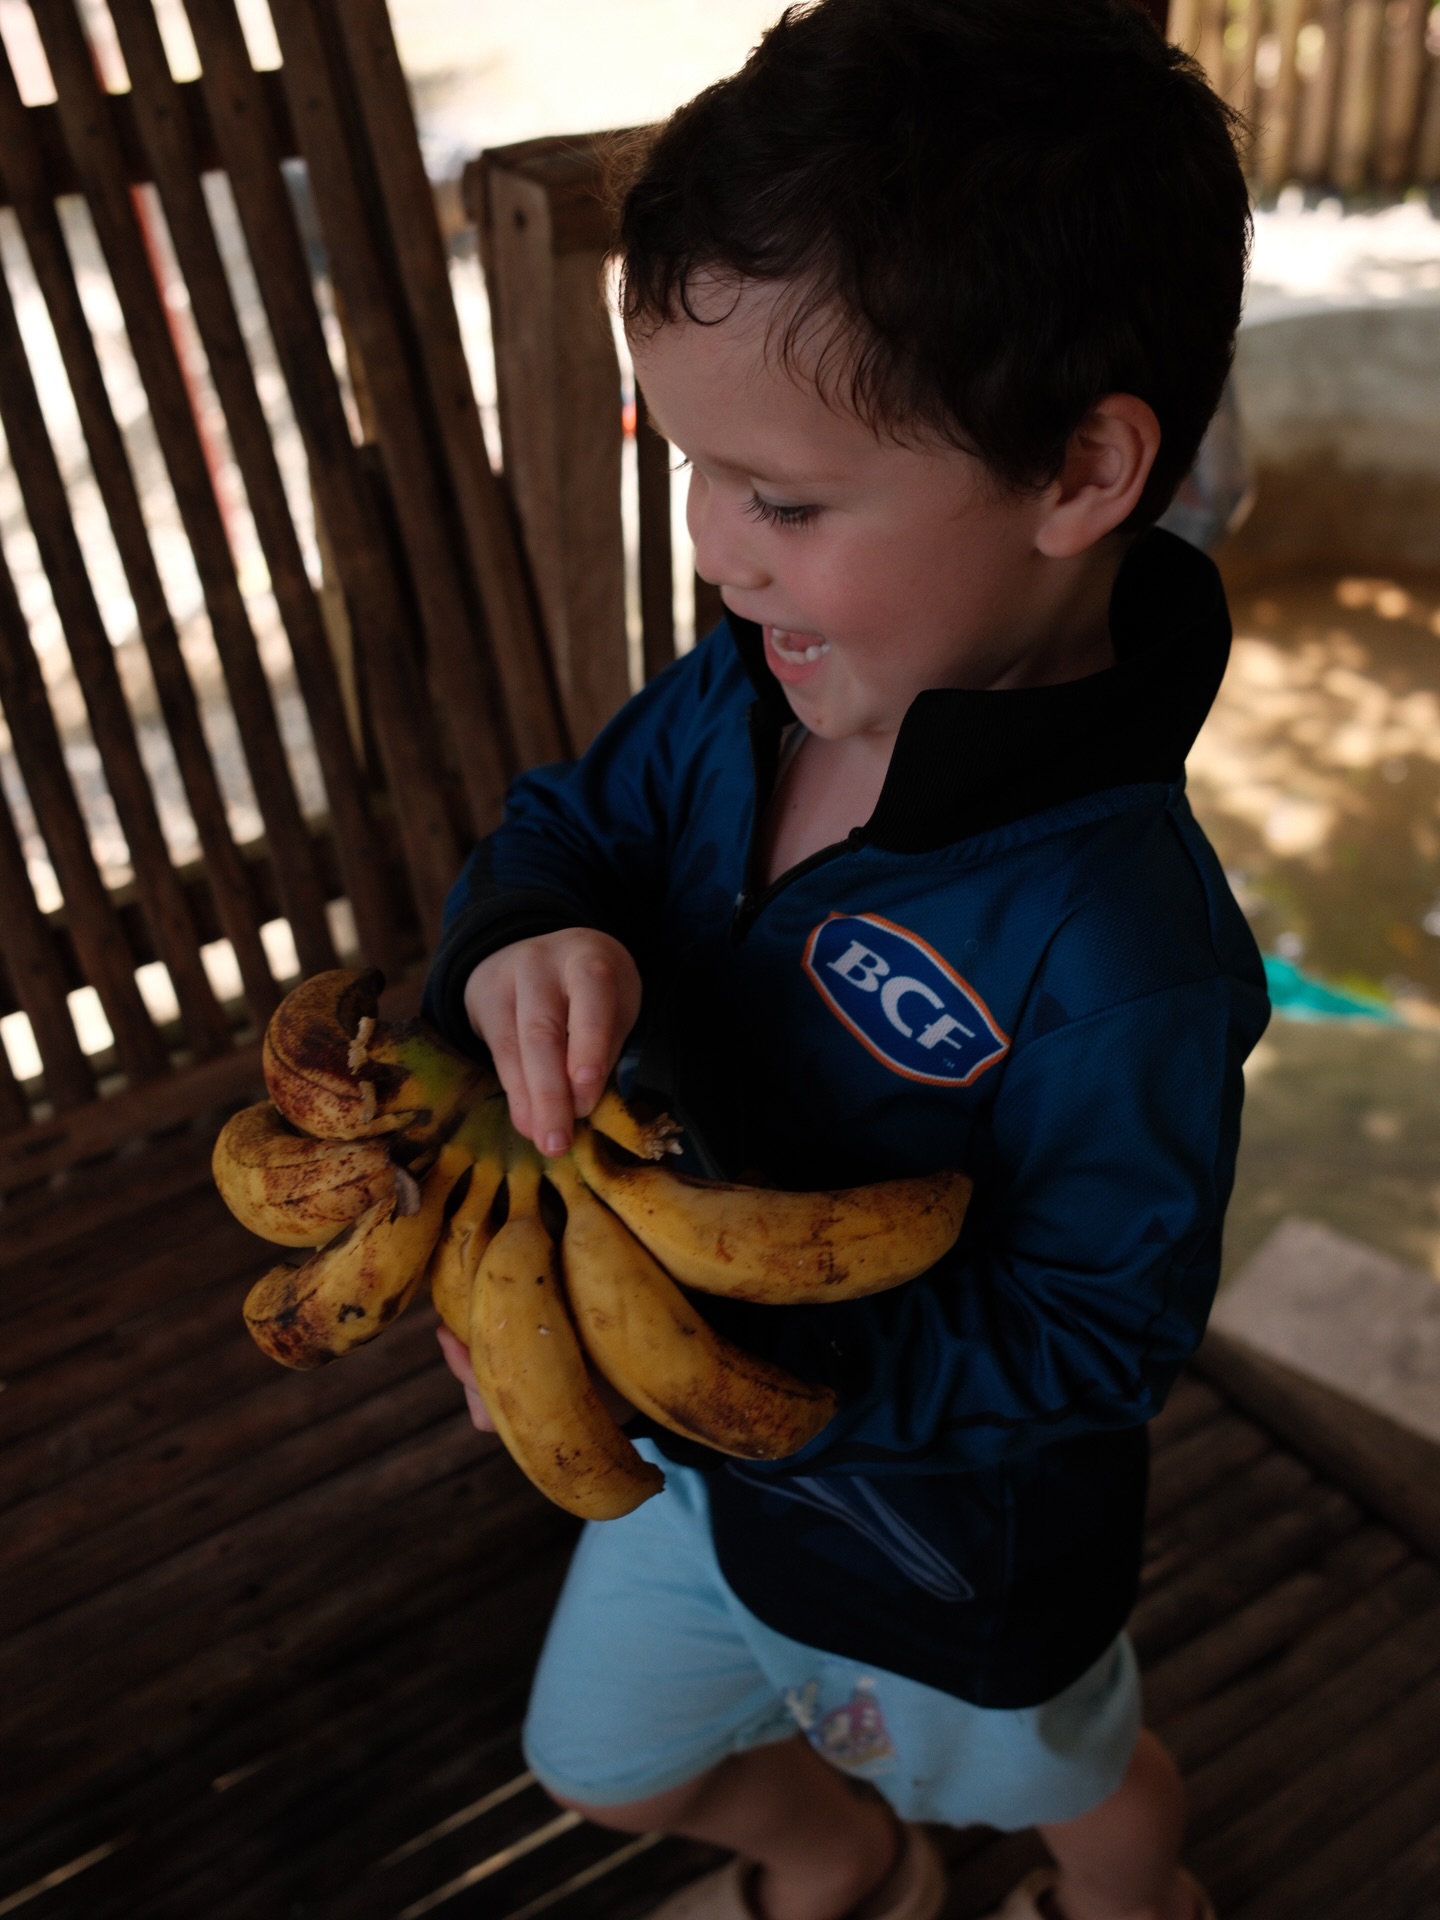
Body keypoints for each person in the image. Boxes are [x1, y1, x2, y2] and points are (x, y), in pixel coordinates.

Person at [423, 4, 1269, 1918]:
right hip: (695, 1497)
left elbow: (1098, 1331)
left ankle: (1139, 1892)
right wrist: (522, 935)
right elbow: (569, 822)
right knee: (603, 1762)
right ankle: (846, 1866)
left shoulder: (1122, 944)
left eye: (786, 502)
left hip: (950, 1561)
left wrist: (747, 1358)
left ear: (1079, 475)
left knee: (1080, 1784)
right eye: (692, 469)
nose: (718, 551)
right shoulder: (746, 699)